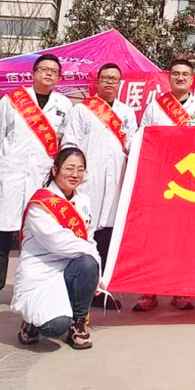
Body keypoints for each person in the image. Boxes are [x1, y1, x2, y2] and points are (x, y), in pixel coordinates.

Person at [0, 53, 73, 320]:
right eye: (43, 69)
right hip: (11, 180)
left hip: (41, 182)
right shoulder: (12, 100)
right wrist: (9, 162)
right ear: (33, 73)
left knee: (39, 238)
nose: (48, 74)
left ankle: (34, 292)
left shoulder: (64, 104)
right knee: (0, 239)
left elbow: (65, 142)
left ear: (58, 77)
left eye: (54, 71)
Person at [132, 59, 195, 312]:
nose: (180, 78)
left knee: (185, 237)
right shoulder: (155, 106)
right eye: (176, 73)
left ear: (192, 79)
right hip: (160, 180)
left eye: (185, 74)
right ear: (169, 77)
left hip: (191, 183)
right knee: (155, 237)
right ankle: (149, 290)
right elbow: (142, 140)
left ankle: (181, 290)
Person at [61, 63, 138, 310]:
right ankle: (76, 287)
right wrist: (73, 176)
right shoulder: (81, 110)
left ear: (120, 83)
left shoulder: (127, 113)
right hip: (87, 183)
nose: (110, 82)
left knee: (107, 237)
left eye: (114, 79)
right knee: (83, 234)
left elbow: (133, 146)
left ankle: (100, 289)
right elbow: (70, 144)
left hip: (115, 184)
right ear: (98, 81)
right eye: (105, 78)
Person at [12, 147, 100, 350]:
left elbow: (90, 238)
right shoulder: (40, 203)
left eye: (80, 169)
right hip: (42, 271)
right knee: (55, 326)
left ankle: (78, 323)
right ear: (55, 170)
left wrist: (97, 267)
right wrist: (90, 252)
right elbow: (57, 241)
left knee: (88, 264)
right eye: (69, 168)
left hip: (71, 267)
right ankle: (31, 323)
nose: (75, 174)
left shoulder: (84, 201)